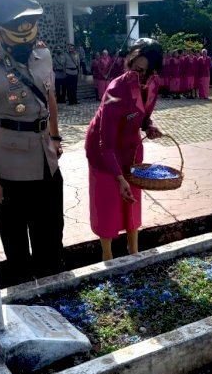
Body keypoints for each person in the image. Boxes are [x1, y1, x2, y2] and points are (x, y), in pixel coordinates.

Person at [0, 0, 65, 282]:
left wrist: (55, 136)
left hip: (47, 164)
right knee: (17, 246)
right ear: (0, 35)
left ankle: (54, 298)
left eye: (29, 39)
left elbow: (50, 97)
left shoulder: (43, 55)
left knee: (51, 235)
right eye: (16, 41)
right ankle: (26, 302)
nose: (24, 46)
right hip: (10, 170)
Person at [85, 38, 164, 261]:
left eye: (147, 73)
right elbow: (105, 143)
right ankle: (107, 255)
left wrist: (148, 126)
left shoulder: (154, 84)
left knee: (132, 199)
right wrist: (119, 177)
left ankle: (134, 252)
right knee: (108, 200)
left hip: (131, 147)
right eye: (136, 69)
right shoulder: (115, 90)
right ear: (129, 63)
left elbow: (144, 116)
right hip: (103, 150)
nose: (141, 77)